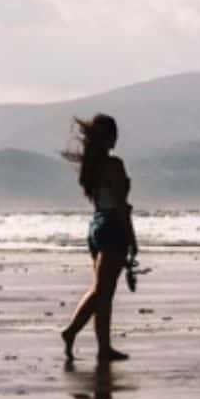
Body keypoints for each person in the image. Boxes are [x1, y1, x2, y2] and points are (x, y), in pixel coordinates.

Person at [60, 113, 137, 362]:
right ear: (109, 137)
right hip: (113, 226)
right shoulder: (114, 165)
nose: (117, 138)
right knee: (103, 291)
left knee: (102, 290)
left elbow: (103, 202)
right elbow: (120, 204)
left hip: (96, 225)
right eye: (114, 133)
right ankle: (73, 332)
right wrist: (132, 239)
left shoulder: (91, 167)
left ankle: (103, 346)